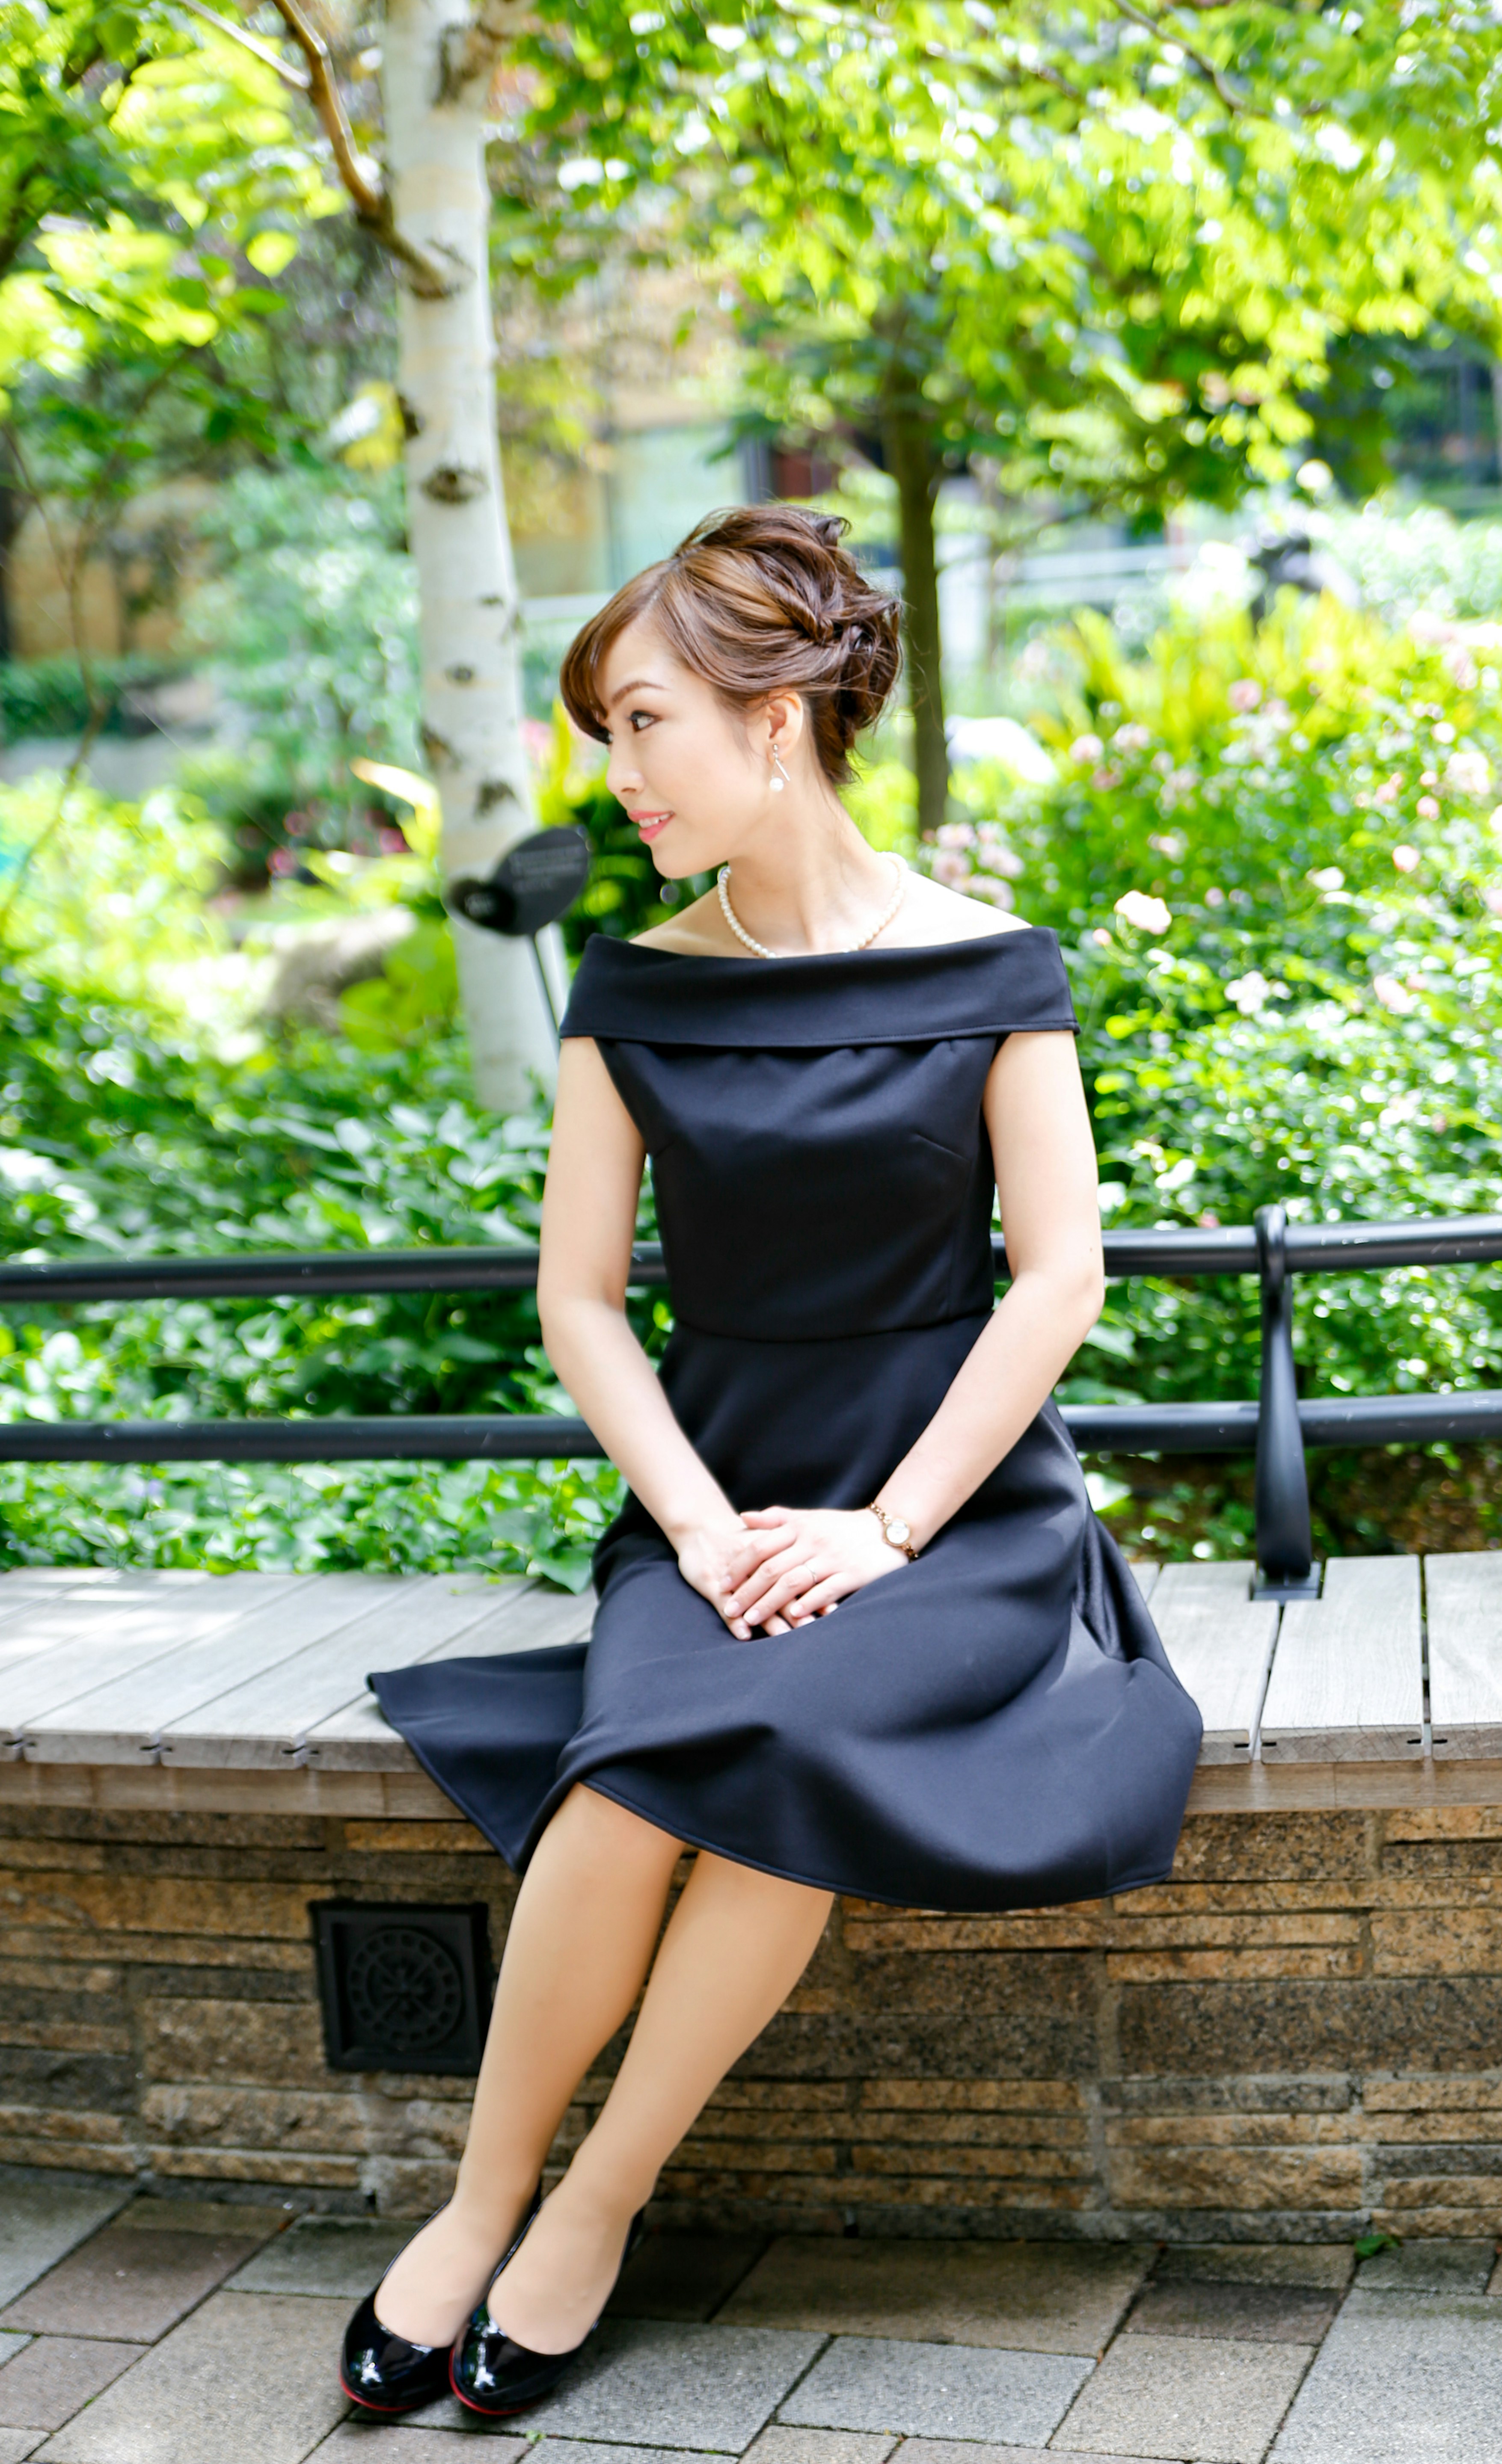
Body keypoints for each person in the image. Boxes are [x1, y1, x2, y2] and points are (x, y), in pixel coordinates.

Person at [344, 505, 1202, 2422]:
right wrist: (706, 1524)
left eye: (644, 722)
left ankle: (600, 2208)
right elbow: (581, 1304)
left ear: (780, 712)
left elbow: (1059, 1279)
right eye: (609, 730)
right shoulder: (635, 989)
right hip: (715, 1501)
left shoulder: (997, 966)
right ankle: (484, 2207)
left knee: (786, 1749)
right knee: (637, 1774)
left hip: (954, 1516)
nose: (619, 771)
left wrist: (890, 1529)